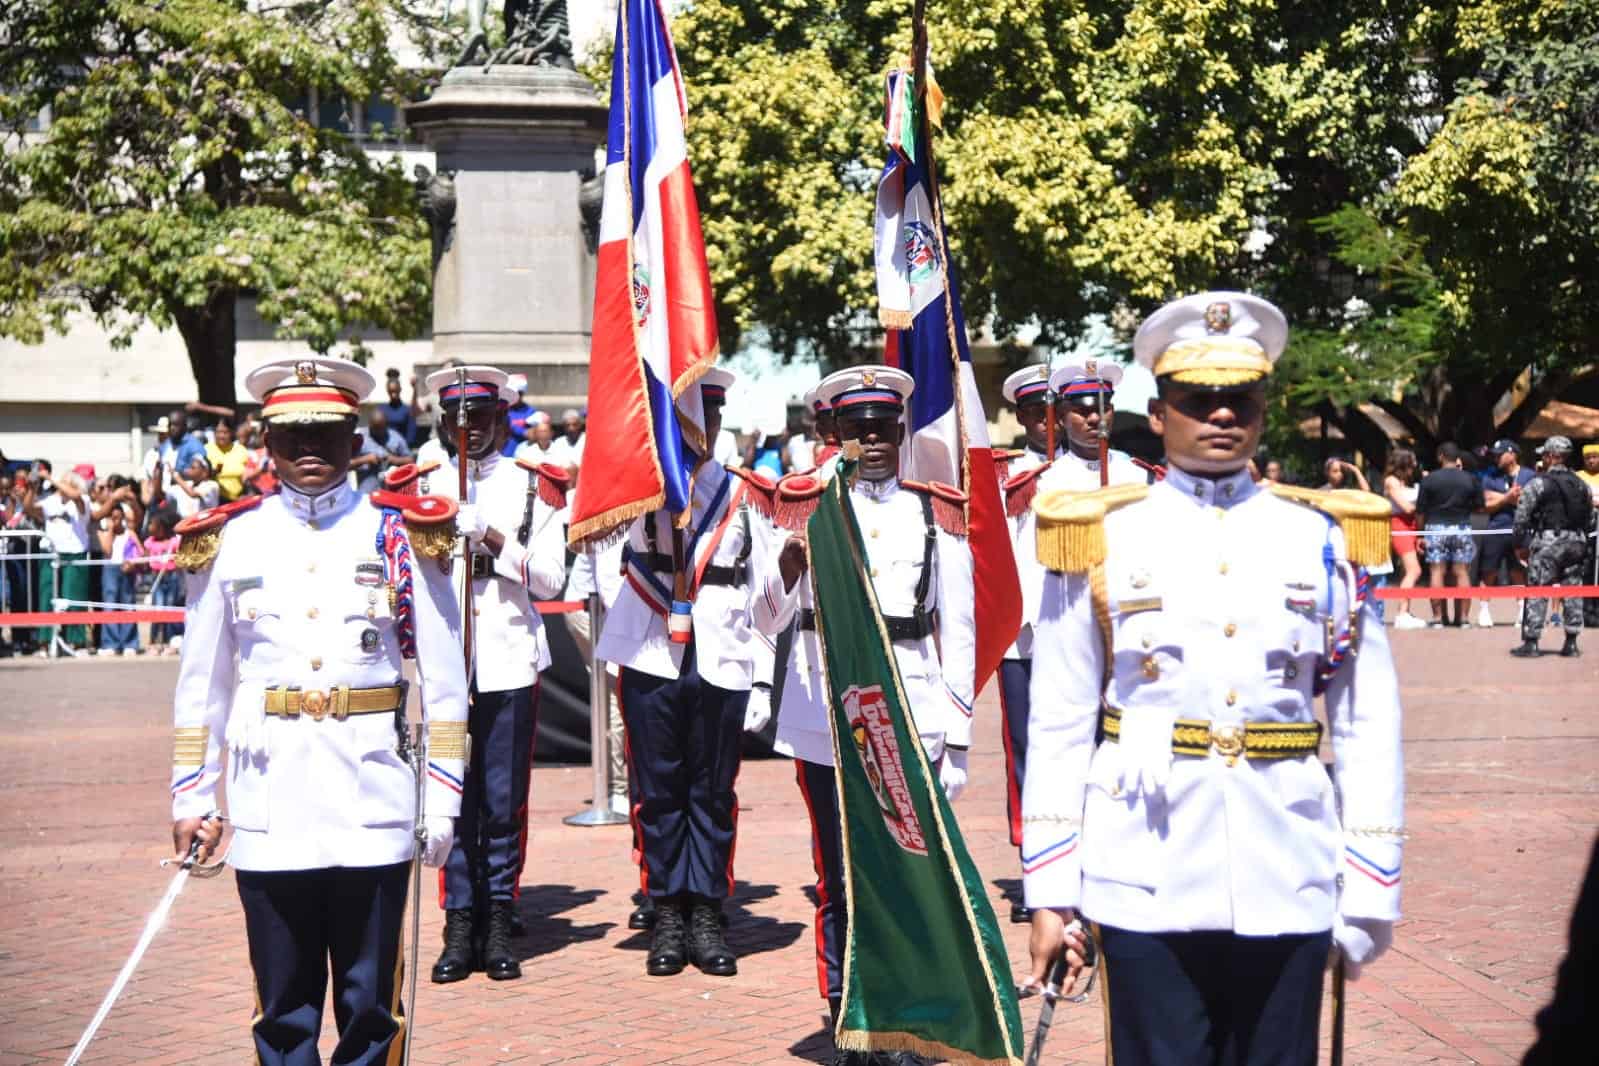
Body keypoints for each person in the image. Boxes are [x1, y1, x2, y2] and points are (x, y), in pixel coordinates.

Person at [1022, 291, 1404, 1066]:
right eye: (1199, 400)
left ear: (1262, 408)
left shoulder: (1323, 535)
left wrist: (1369, 883)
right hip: (1143, 864)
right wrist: (1050, 890)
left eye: (1240, 399)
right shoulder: (1096, 531)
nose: (1221, 416)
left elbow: (1368, 721)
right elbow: (1059, 720)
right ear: (1158, 413)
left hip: (1289, 861)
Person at [167, 356, 468, 1064]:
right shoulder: (229, 538)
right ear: (265, 441)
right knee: (281, 1004)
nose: (309, 447)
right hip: (270, 794)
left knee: (371, 1005)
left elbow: (447, 683)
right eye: (291, 432)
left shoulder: (398, 534)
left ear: (355, 438)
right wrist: (190, 793)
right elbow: (201, 684)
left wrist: (444, 797)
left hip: (373, 798)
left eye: (327, 432)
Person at [758, 365, 976, 1065]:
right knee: (838, 871)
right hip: (825, 710)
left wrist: (959, 731)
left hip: (909, 706)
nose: (874, 441)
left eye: (886, 428)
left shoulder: (932, 511)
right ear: (832, 434)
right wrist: (789, 566)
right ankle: (846, 1012)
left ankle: (904, 1013)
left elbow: (959, 628)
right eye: (858, 430)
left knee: (908, 865)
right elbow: (761, 618)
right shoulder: (802, 508)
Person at [595, 366, 782, 979]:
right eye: (681, 421)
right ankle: (667, 908)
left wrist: (760, 677)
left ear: (718, 423)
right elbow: (602, 563)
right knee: (658, 791)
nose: (694, 433)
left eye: (705, 421)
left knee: (712, 790)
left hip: (721, 653)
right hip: (651, 650)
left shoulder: (743, 494)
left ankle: (707, 908)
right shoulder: (637, 489)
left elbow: (767, 594)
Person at [422, 366, 569, 985]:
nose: (469, 431)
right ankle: (460, 920)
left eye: (480, 418)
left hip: (507, 654)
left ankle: (501, 917)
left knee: (503, 801)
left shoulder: (532, 487)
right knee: (451, 794)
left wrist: (492, 536)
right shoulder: (424, 483)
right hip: (448, 660)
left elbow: (550, 579)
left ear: (501, 420)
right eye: (457, 419)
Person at [1510, 436, 1592, 658]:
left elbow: (1522, 516)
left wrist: (1518, 544)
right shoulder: (1581, 484)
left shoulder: (1538, 483)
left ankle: (1531, 642)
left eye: (1545, 455)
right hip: (1577, 541)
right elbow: (1589, 518)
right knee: (1572, 590)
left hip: (1548, 541)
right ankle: (1571, 642)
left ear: (1552, 456)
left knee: (1538, 588)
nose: (1543, 459)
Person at [22, 464, 92, 651]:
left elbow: (75, 495)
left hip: (74, 553)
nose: (62, 486)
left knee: (73, 598)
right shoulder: (49, 501)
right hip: (51, 553)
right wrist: (32, 488)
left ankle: (76, 641)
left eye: (66, 483)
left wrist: (50, 478)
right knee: (46, 596)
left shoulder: (82, 500)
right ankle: (45, 641)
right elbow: (29, 508)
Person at [1416, 442, 1483, 628]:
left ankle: (1438, 619)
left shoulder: (1429, 480)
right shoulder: (1470, 479)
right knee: (1462, 572)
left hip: (1436, 527)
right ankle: (1463, 619)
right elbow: (1479, 506)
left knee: (1437, 571)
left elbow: (1420, 510)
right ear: (1457, 458)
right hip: (1461, 526)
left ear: (1441, 456)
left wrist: (1420, 535)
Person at [1480, 440, 1535, 626]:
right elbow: (1485, 504)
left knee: (1519, 571)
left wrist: (1500, 498)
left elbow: (1530, 500)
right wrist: (1507, 498)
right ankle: (1484, 610)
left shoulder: (1529, 475)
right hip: (1495, 529)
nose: (1496, 457)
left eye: (1500, 454)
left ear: (1512, 454)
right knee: (1489, 571)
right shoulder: (1490, 476)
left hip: (1521, 529)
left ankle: (1522, 610)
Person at [1383, 448, 1425, 630]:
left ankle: (1405, 609)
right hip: (1399, 525)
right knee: (1414, 570)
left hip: (1411, 526)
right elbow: (1406, 507)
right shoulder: (1391, 482)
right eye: (1411, 462)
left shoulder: (1406, 481)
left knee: (1406, 571)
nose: (1414, 466)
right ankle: (1401, 615)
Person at [99, 502, 142, 656]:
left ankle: (130, 642)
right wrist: (111, 529)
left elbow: (141, 551)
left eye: (118, 517)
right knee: (110, 605)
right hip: (110, 568)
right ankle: (110, 643)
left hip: (126, 569)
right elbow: (107, 550)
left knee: (128, 605)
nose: (116, 521)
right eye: (113, 518)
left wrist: (133, 563)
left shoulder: (130, 533)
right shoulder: (103, 532)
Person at [141, 509, 183, 654]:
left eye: (152, 524)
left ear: (161, 527)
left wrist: (173, 560)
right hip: (156, 578)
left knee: (169, 608)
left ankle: (168, 641)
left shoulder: (174, 542)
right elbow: (145, 558)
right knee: (158, 608)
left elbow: (180, 557)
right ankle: (154, 641)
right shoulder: (149, 543)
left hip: (171, 576)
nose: (149, 527)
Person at [352, 408, 412, 494]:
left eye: (381, 428)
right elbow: (346, 465)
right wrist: (365, 459)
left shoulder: (395, 437)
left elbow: (410, 460)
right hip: (367, 490)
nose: (378, 432)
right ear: (370, 424)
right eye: (375, 428)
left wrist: (394, 460)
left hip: (391, 489)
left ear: (386, 425)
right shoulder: (359, 437)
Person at [205, 418, 251, 502]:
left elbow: (248, 475)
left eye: (225, 432)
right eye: (218, 432)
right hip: (215, 500)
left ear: (232, 433)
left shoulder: (241, 450)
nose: (221, 436)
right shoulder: (207, 450)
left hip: (239, 498)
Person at [1579, 444, 1599, 628]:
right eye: (1588, 457)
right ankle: (1586, 610)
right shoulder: (1578, 477)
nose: (1592, 460)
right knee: (1587, 569)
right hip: (1587, 531)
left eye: (1595, 456)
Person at [166, 455, 221, 519]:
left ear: (204, 473)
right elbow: (164, 494)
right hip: (185, 525)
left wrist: (176, 476)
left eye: (193, 468)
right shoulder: (187, 484)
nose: (188, 469)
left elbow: (192, 494)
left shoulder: (212, 485)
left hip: (206, 526)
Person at [379, 367, 420, 448]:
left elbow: (411, 435)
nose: (393, 395)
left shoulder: (407, 410)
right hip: (383, 449)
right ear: (387, 391)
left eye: (395, 391)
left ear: (400, 389)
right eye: (391, 392)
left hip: (402, 450)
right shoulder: (381, 409)